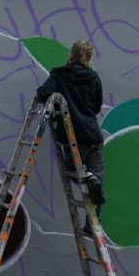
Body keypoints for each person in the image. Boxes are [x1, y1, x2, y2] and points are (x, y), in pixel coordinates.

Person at [36, 40, 106, 232]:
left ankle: (89, 177)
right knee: (97, 180)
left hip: (71, 137)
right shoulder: (94, 78)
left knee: (72, 170)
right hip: (93, 136)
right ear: (89, 57)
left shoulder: (59, 75)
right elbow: (97, 106)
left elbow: (43, 94)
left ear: (71, 54)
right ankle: (92, 227)